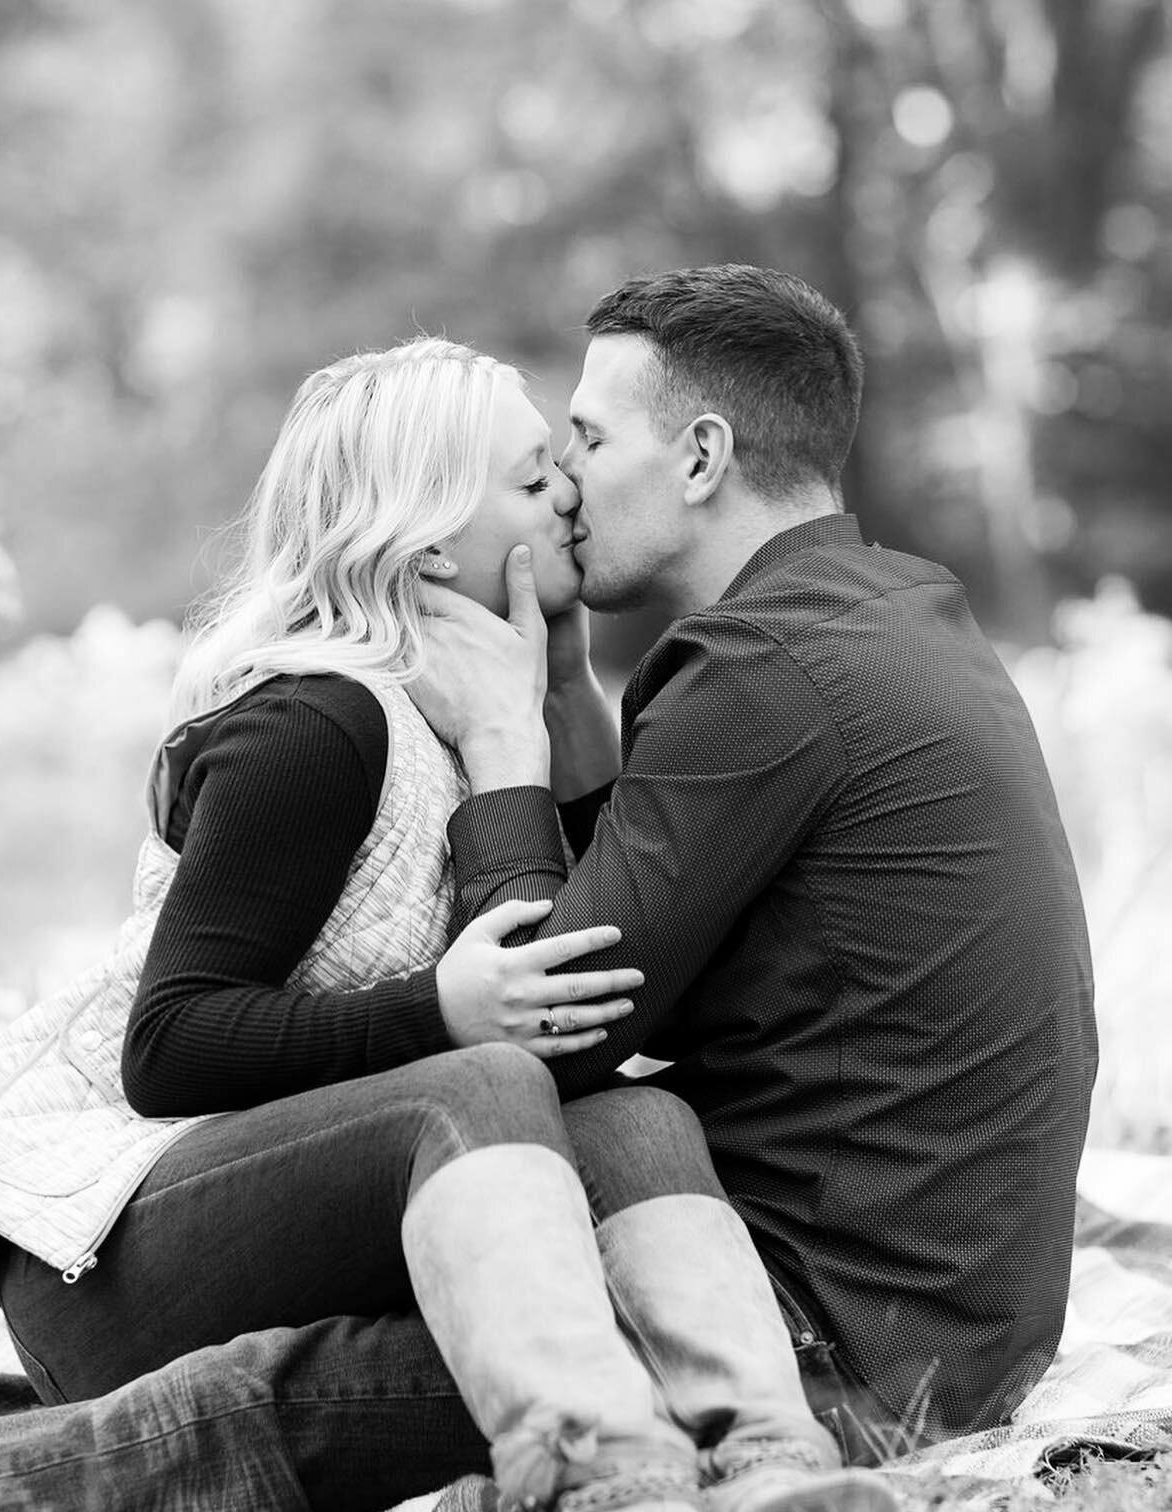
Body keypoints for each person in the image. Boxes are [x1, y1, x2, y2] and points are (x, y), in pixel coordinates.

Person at [0, 336, 895, 1512]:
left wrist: (553, 711)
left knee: (637, 1114)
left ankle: (768, 1460)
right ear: (419, 547)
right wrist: (437, 1010)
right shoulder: (319, 724)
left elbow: (572, 989)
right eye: (528, 480)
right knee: (487, 1086)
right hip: (109, 1275)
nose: (568, 488)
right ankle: (608, 1500)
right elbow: (170, 1045)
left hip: (286, 1212)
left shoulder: (467, 719)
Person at [413, 265, 1098, 1452]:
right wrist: (570, 696)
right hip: (950, 1326)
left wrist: (498, 747)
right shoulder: (888, 611)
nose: (561, 480)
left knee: (295, 1381)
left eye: (586, 436)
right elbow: (655, 949)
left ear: (699, 457)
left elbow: (556, 1027)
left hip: (812, 1343)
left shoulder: (761, 671)